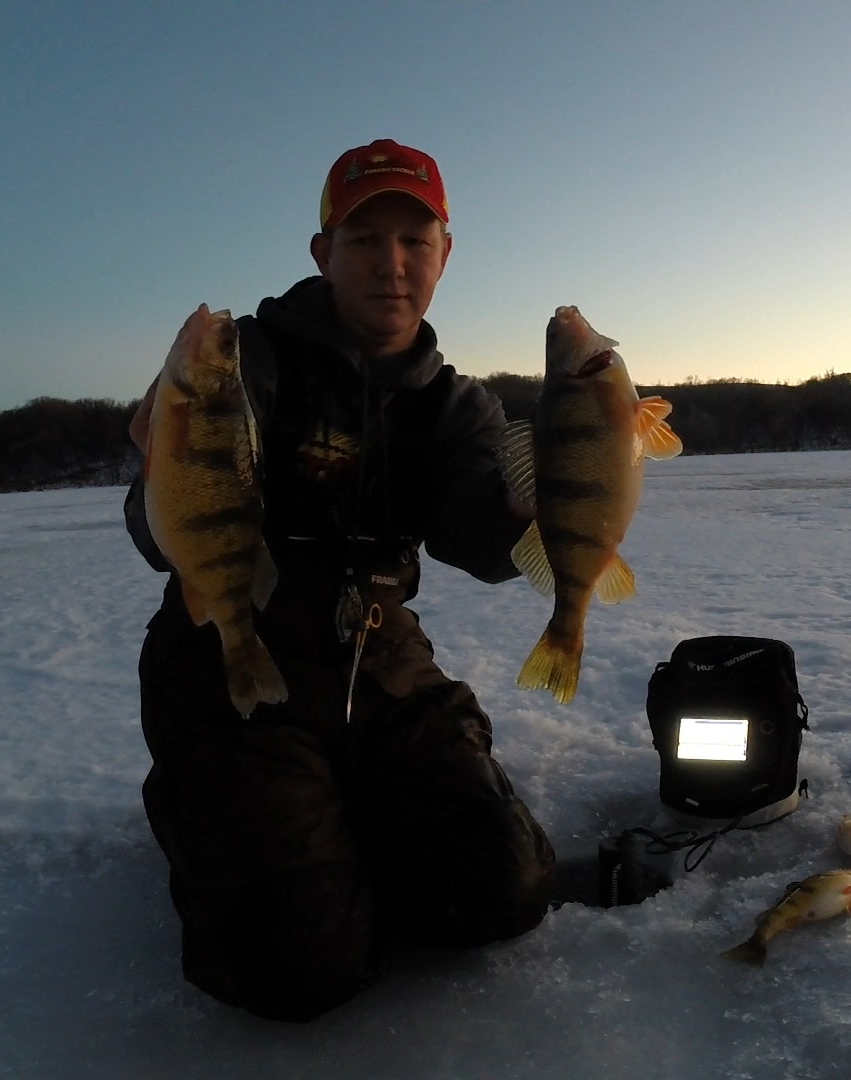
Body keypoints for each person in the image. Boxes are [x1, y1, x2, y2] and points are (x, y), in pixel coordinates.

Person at [121, 139, 555, 1022]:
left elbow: (477, 542)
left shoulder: (456, 405)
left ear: (444, 253)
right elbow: (156, 534)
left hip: (378, 651)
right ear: (323, 252)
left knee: (502, 888)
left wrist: (538, 507)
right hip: (233, 646)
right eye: (363, 240)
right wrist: (164, 469)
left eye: (413, 239)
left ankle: (335, 804)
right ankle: (208, 804)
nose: (390, 265)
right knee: (295, 961)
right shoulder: (249, 361)